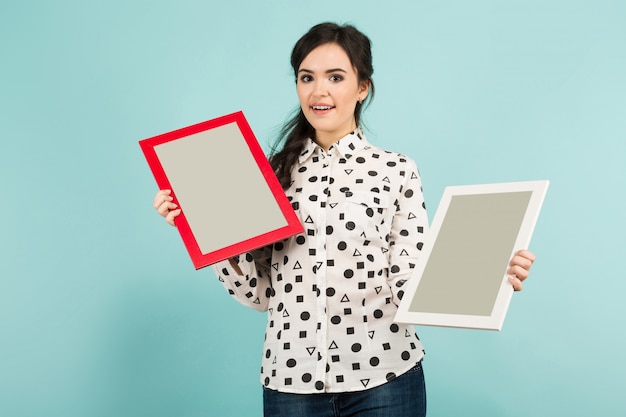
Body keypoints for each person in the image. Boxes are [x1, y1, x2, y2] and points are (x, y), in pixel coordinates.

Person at [152, 22, 536, 417]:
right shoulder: (266, 176)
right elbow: (260, 295)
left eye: (336, 77)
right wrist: (204, 228)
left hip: (386, 380)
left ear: (362, 87)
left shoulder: (397, 170)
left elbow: (409, 283)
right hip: (290, 383)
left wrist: (490, 275)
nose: (319, 91)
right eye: (307, 78)